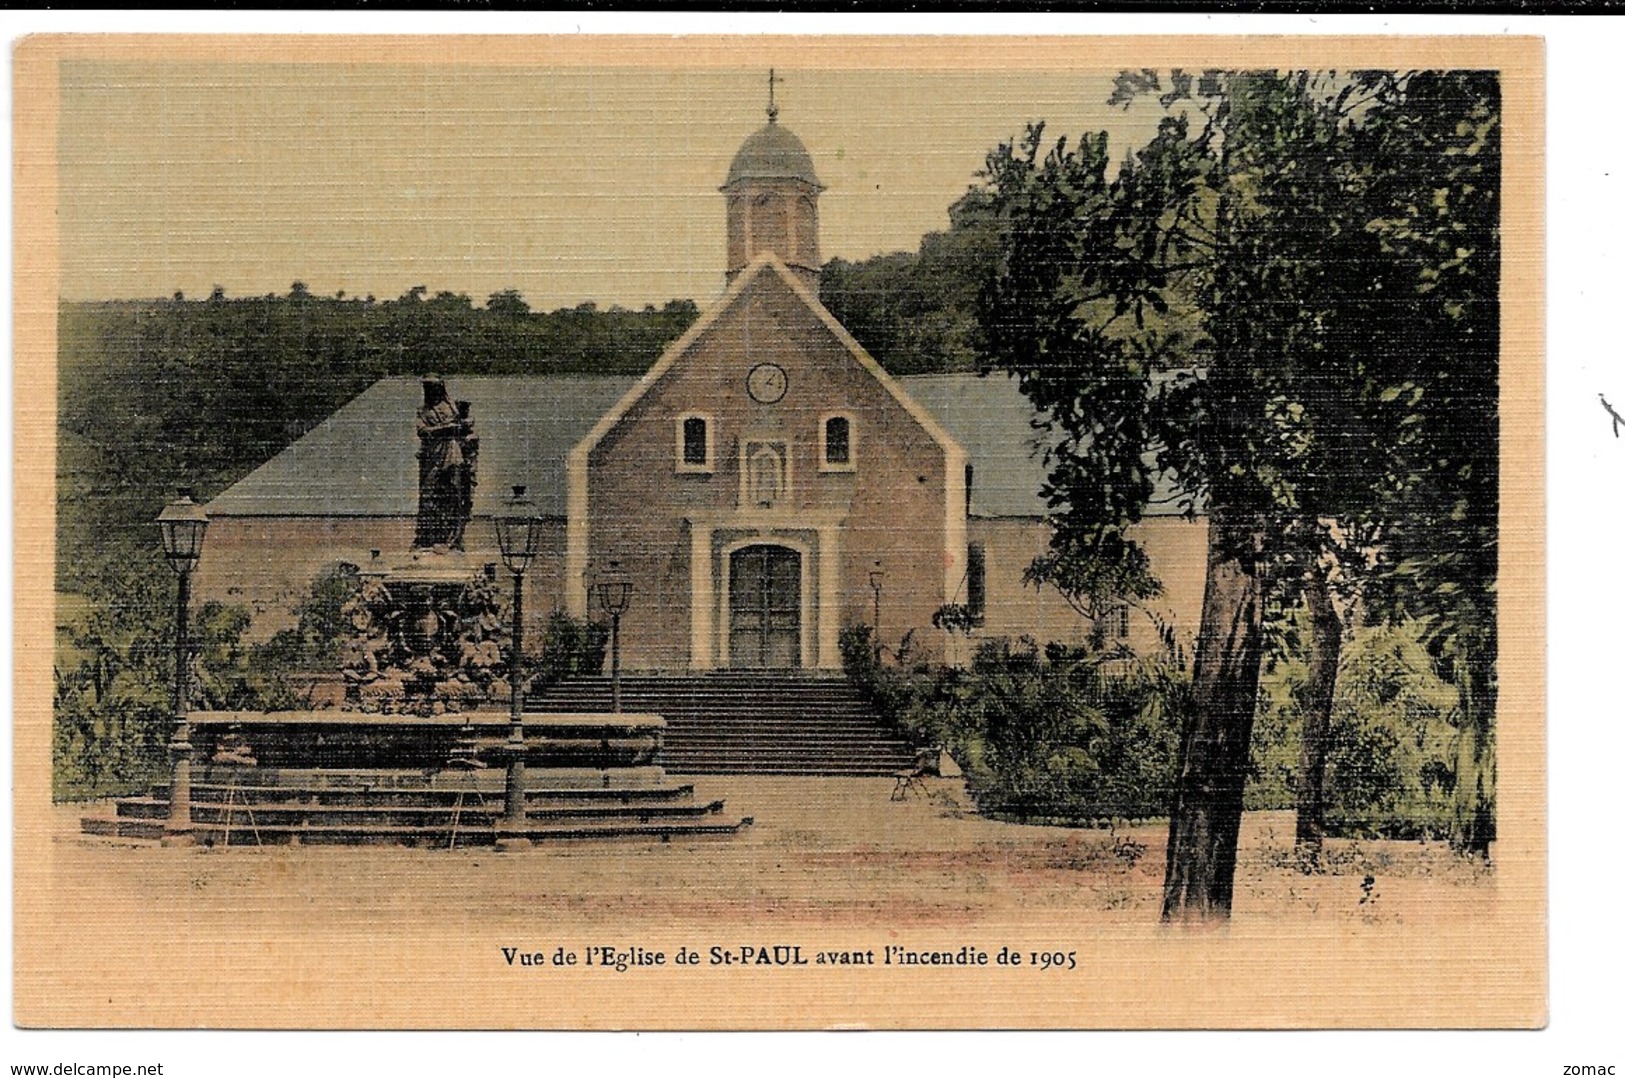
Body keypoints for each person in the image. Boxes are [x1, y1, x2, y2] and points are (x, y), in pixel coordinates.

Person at [414, 376, 474, 549]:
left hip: (452, 453)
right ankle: (427, 537)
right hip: (432, 457)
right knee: (428, 495)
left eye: (434, 388)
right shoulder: (423, 411)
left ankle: (453, 538)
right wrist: (445, 429)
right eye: (428, 388)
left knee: (453, 493)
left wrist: (460, 427)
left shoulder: (452, 408)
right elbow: (423, 432)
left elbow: (467, 428)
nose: (432, 391)